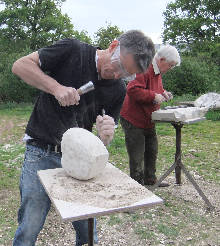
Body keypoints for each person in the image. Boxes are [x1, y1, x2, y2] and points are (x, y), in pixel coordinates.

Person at [11, 30, 155, 246]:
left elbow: (103, 140)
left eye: (127, 74)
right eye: (119, 66)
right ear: (113, 45)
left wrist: (105, 135)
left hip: (80, 160)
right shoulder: (73, 50)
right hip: (41, 150)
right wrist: (56, 88)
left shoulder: (118, 89)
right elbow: (20, 66)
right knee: (30, 225)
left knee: (88, 231)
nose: (117, 75)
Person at [120, 45, 181, 187]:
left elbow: (153, 88)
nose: (170, 68)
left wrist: (163, 92)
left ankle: (150, 179)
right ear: (162, 59)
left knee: (152, 149)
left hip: (148, 119)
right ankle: (137, 184)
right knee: (137, 154)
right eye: (170, 65)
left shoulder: (157, 71)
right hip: (133, 119)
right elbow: (132, 89)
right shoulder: (145, 68)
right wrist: (154, 96)